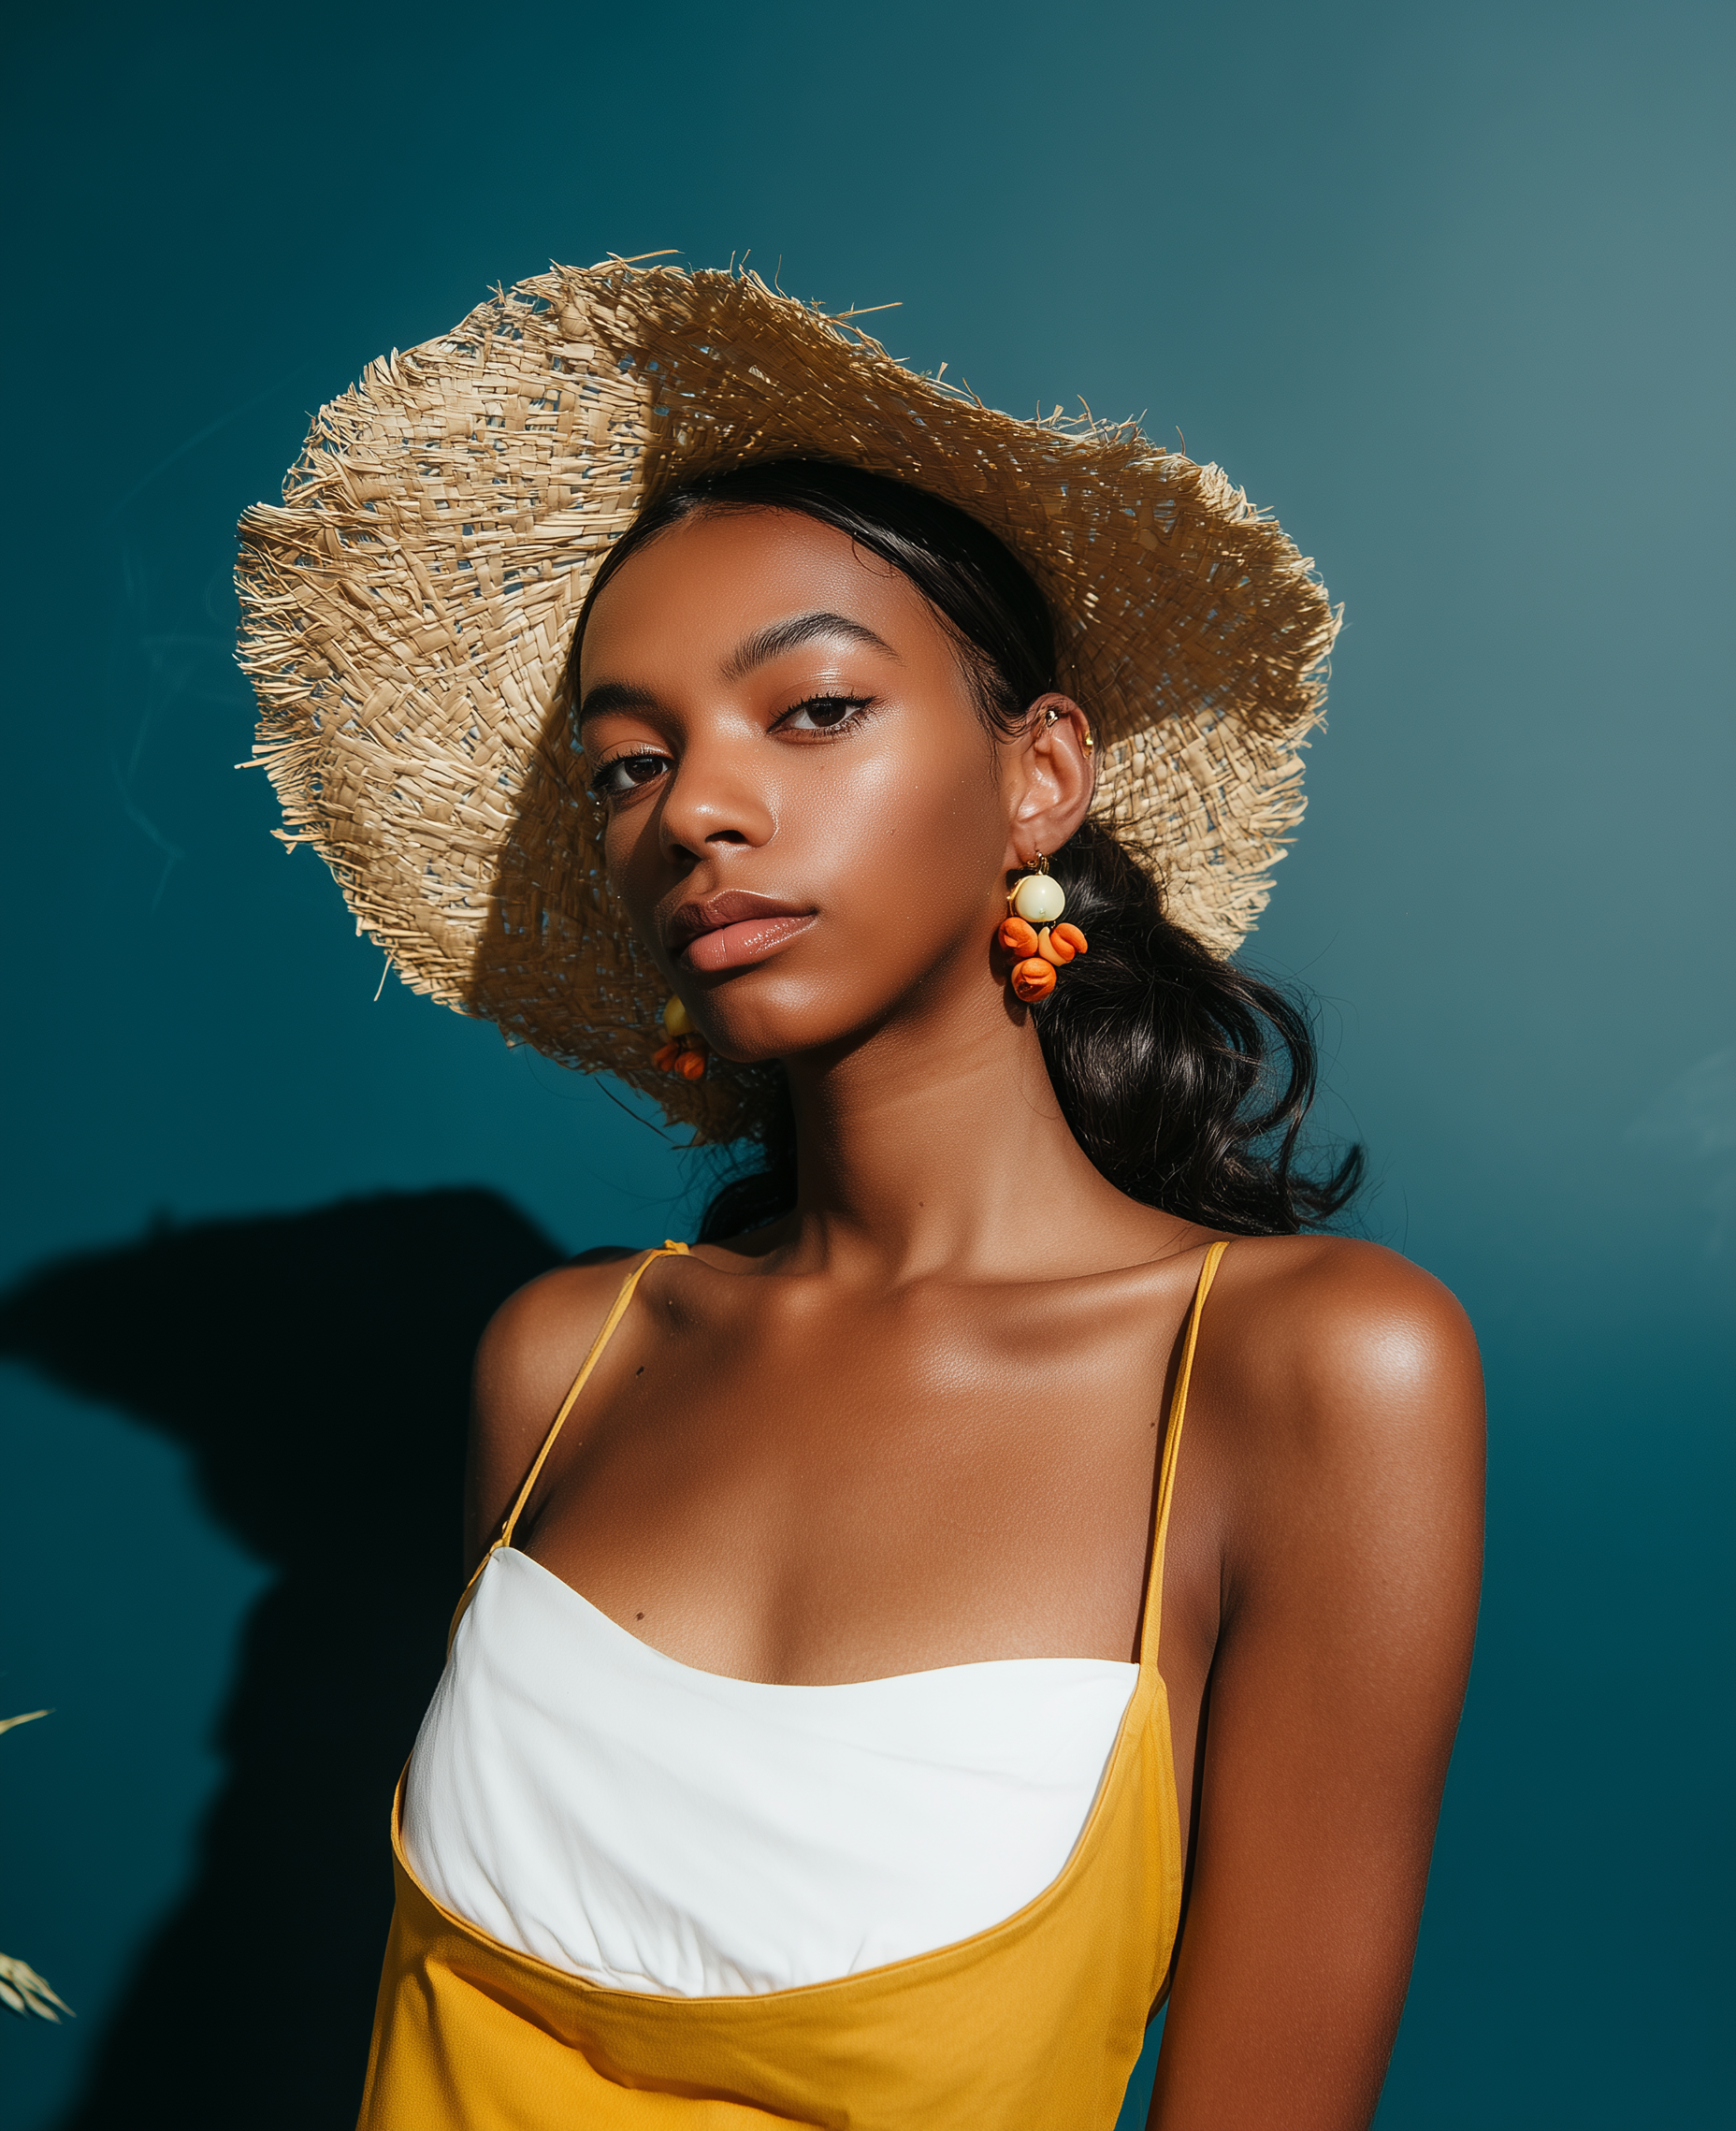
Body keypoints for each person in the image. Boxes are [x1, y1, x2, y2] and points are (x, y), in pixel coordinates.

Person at [238, 258, 1483, 2130]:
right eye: (628, 763)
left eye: (807, 711)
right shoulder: (567, 1357)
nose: (695, 810)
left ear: (1038, 774)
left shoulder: (1310, 1372)